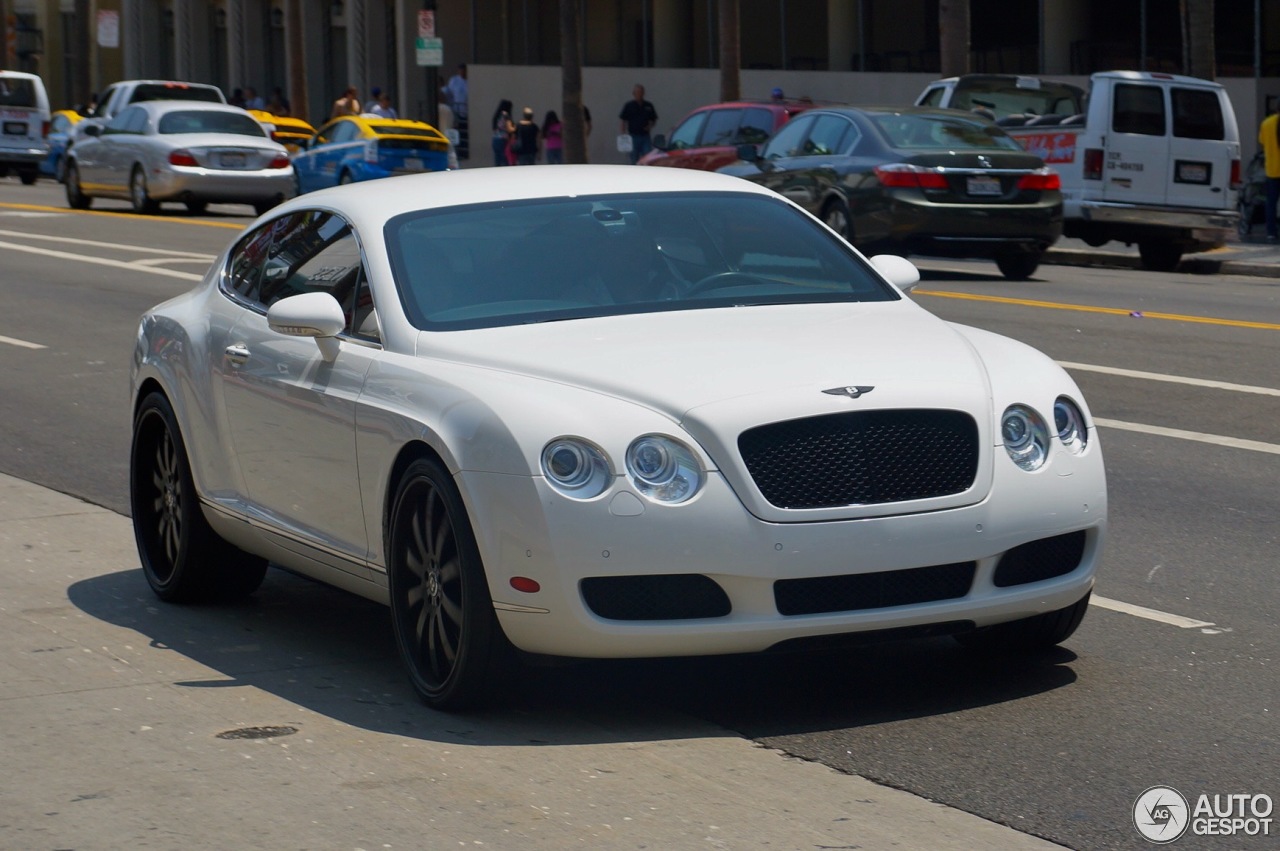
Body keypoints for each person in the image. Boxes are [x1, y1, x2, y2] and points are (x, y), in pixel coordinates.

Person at [618, 84, 657, 164]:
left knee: (648, 159)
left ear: (643, 93)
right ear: (634, 93)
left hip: (645, 137)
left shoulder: (648, 106)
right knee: (634, 159)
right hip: (633, 137)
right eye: (637, 92)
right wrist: (623, 135)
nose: (639, 94)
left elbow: (653, 119)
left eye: (641, 92)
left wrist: (650, 126)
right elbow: (623, 120)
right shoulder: (628, 105)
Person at [1260, 99, 1280, 242]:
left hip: (1272, 169)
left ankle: (1271, 232)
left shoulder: (1266, 123)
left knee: (1271, 202)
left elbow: (1261, 141)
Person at [491, 99, 515, 167]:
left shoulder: (497, 116)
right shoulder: (505, 116)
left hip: (495, 139)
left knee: (497, 160)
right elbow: (508, 128)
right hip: (503, 139)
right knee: (504, 160)